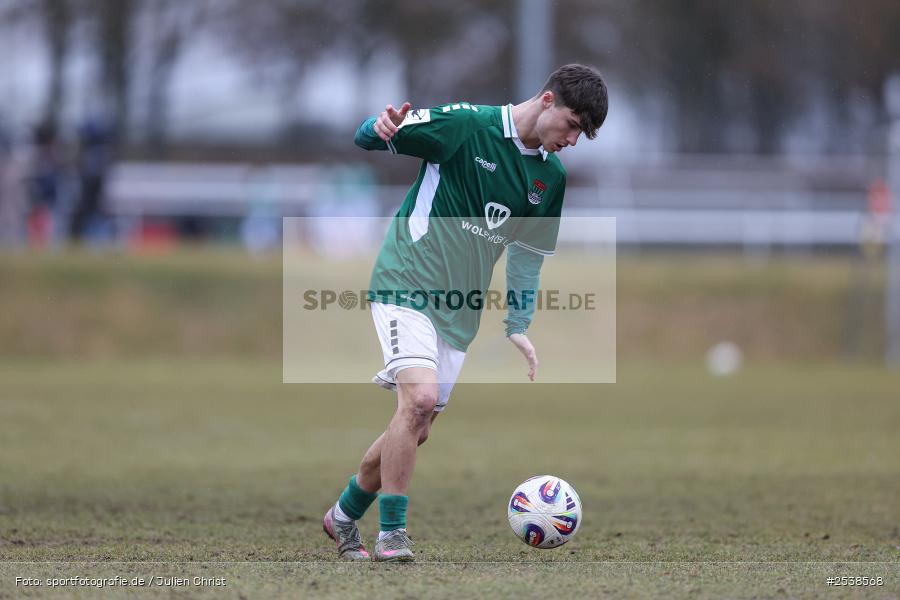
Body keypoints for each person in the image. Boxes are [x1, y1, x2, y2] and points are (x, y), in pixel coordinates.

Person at [321, 64, 608, 562]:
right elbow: (368, 137)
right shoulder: (466, 125)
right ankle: (392, 534)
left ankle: (343, 515)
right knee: (418, 402)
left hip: (460, 310)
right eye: (573, 125)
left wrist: (517, 324)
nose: (574, 140)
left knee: (418, 422)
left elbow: (527, 256)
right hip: (406, 280)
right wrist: (379, 127)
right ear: (546, 101)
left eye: (583, 133)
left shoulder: (550, 178)